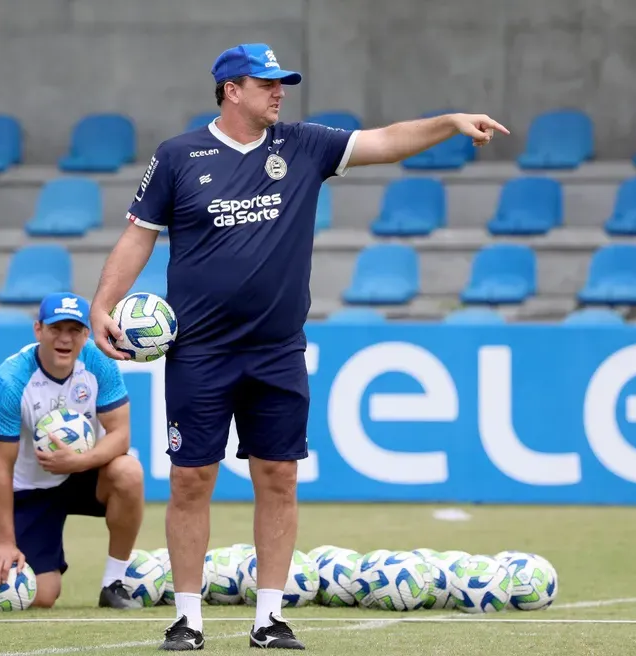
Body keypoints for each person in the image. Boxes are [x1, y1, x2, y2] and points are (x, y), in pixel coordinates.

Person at [89, 43, 508, 650]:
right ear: (231, 89)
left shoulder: (303, 145)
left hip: (277, 350)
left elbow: (386, 141)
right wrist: (103, 304)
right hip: (200, 351)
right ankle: (187, 619)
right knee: (191, 480)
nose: (279, 91)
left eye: (281, 81)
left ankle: (269, 619)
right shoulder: (179, 157)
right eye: (266, 83)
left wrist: (448, 122)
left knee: (279, 476)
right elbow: (138, 238)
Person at [0, 292, 145, 610]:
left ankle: (113, 584)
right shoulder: (11, 380)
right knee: (41, 596)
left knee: (129, 471)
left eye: (74, 330)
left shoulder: (98, 362)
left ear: (86, 333)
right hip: (33, 487)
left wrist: (79, 460)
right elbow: (1, 466)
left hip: (86, 472)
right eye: (56, 329)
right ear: (38, 330)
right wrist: (5, 543)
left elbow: (121, 436)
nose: (65, 339)